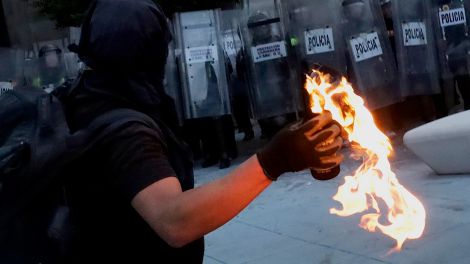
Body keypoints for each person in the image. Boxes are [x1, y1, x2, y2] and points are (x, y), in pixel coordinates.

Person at [62, 0, 344, 263]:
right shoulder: (125, 131)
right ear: (147, 52)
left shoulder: (88, 95)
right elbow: (174, 221)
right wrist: (274, 160)